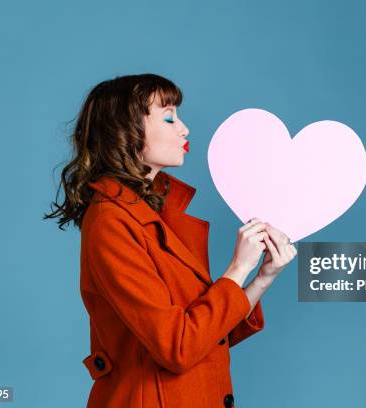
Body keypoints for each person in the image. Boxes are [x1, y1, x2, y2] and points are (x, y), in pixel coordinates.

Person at [44, 73, 297, 407]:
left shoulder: (157, 213)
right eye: (168, 117)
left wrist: (263, 276)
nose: (184, 129)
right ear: (125, 130)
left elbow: (210, 334)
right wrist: (238, 267)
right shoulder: (111, 221)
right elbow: (178, 347)